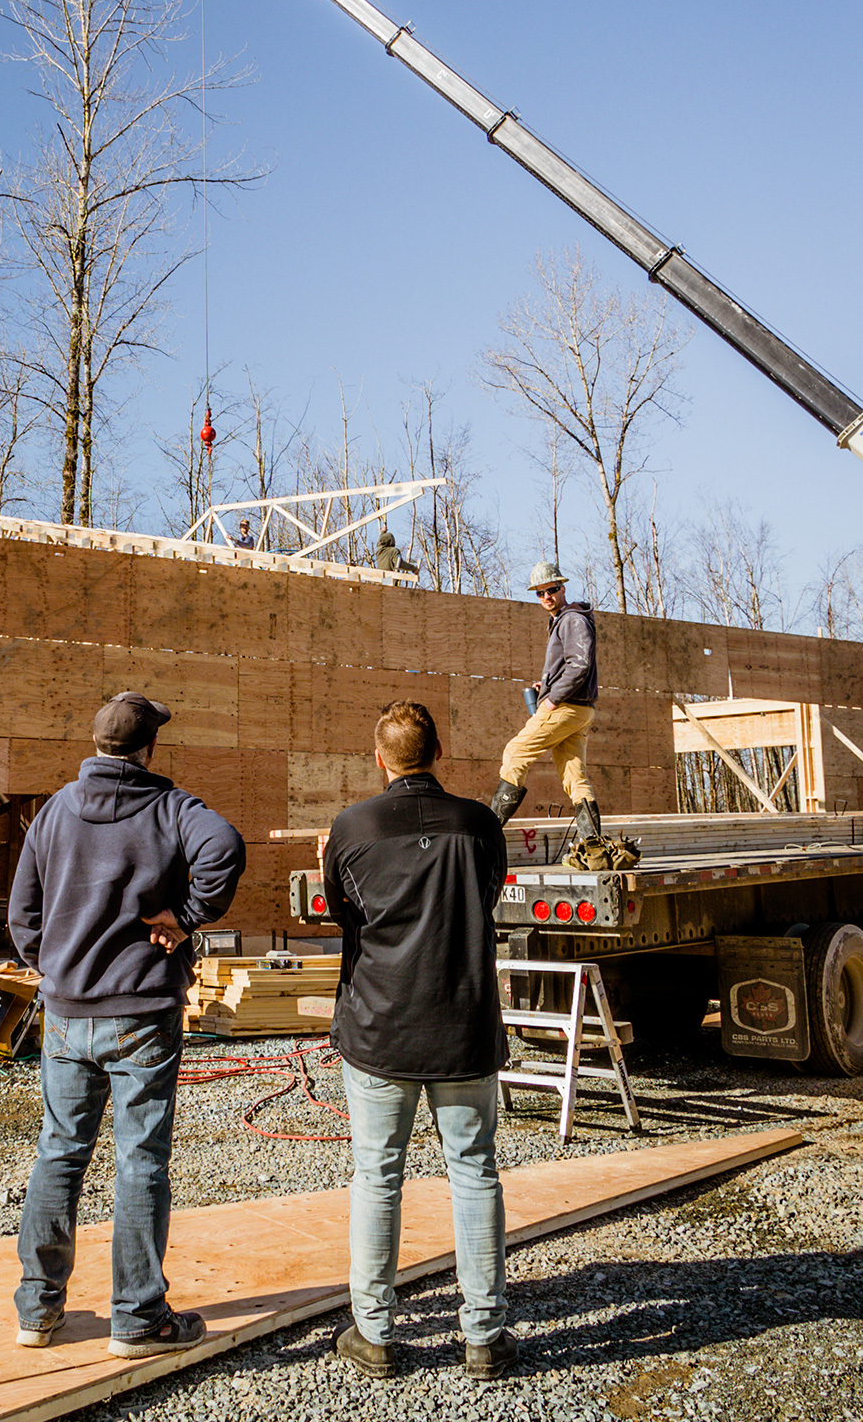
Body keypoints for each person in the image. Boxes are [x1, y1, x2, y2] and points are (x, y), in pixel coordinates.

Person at [7, 691, 246, 1357]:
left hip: (67, 1012)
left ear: (98, 746)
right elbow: (224, 846)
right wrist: (187, 916)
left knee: (60, 1151)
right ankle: (139, 1319)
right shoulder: (172, 808)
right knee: (140, 1159)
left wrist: (53, 964)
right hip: (141, 1013)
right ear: (149, 750)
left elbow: (23, 913)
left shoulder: (55, 810)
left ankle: (38, 1310)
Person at [323, 700, 516, 1382]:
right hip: (462, 1023)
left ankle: (374, 1334)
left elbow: (340, 912)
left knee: (377, 1178)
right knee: (475, 1171)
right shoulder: (478, 823)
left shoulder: (352, 828)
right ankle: (483, 1336)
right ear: (440, 755)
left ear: (379, 759)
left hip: (380, 1027)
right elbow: (488, 897)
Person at [490, 561, 600, 842]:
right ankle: (593, 844)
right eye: (540, 593)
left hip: (566, 707)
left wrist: (553, 698)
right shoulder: (566, 620)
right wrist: (547, 685)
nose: (546, 597)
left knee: (515, 752)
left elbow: (580, 665)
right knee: (575, 777)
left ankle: (488, 834)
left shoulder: (572, 619)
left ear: (562, 588)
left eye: (551, 590)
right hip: (578, 709)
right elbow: (573, 666)